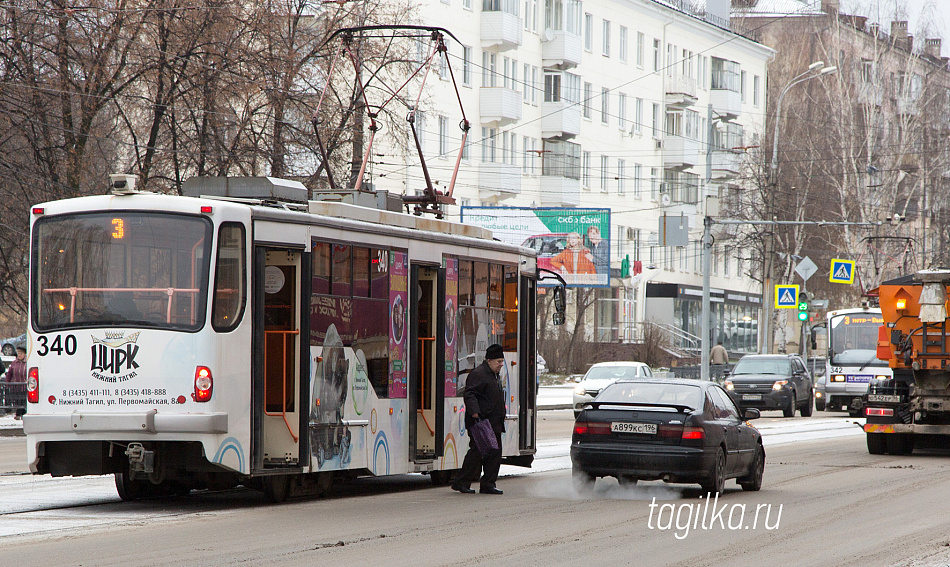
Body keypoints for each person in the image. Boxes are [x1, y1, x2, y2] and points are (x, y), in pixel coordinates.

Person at [452, 343, 507, 495]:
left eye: (502, 361)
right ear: (489, 360)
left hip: (493, 421)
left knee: (494, 453)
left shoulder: (493, 374)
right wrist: (475, 413)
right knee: (477, 453)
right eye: (498, 362)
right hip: (481, 422)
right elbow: (469, 394)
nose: (501, 365)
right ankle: (461, 482)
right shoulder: (479, 374)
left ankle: (488, 484)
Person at [4, 346, 27, 419]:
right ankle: (21, 414)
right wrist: (8, 383)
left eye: (21, 353)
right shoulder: (14, 363)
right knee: (18, 401)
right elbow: (9, 373)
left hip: (25, 386)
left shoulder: (27, 362)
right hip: (16, 386)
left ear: (24, 354)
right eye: (18, 353)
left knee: (23, 400)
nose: (19, 355)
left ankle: (19, 414)